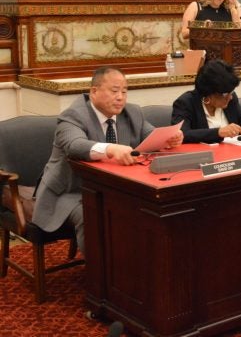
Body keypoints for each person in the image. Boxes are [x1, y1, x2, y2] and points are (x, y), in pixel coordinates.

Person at [31, 67, 184, 254]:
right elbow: (74, 145)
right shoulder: (73, 116)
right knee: (93, 215)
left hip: (115, 188)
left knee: (148, 210)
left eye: (124, 91)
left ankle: (135, 266)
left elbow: (151, 136)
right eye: (114, 91)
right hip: (70, 192)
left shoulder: (131, 113)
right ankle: (102, 277)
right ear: (94, 91)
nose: (120, 97)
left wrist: (170, 139)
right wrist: (110, 149)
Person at [172, 59, 241, 142]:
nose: (230, 97)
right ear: (208, 93)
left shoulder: (231, 98)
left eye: (231, 92)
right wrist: (218, 132)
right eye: (225, 94)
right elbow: (183, 134)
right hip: (204, 157)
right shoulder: (185, 103)